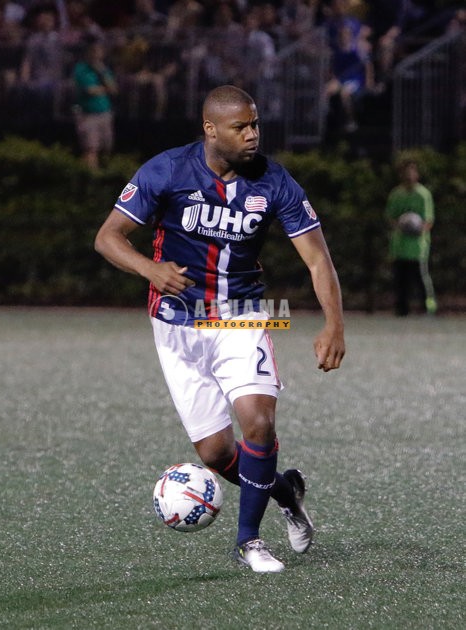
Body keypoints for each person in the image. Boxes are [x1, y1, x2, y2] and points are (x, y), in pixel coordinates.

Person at [94, 85, 345, 573]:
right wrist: (150, 269)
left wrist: (334, 323)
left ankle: (248, 540)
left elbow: (318, 259)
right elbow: (108, 237)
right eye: (240, 127)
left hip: (241, 316)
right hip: (176, 325)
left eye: (255, 125)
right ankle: (285, 491)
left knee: (259, 422)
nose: (252, 135)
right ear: (210, 129)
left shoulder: (274, 181)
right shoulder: (168, 169)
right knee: (216, 453)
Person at [385, 159, 437, 316]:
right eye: (406, 173)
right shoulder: (396, 194)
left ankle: (428, 308)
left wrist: (417, 229)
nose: (408, 176)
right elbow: (390, 217)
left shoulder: (423, 194)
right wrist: (401, 226)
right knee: (400, 279)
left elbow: (428, 220)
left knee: (420, 278)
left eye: (411, 172)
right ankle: (401, 309)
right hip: (399, 246)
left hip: (417, 247)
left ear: (417, 174)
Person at [73, 36, 117, 170]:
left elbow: (114, 89)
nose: (96, 54)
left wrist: (102, 73)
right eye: (93, 51)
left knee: (106, 148)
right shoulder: (80, 69)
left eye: (98, 51)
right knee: (91, 149)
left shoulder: (105, 70)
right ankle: (90, 176)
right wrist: (105, 89)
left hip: (105, 112)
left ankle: (105, 175)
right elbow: (90, 90)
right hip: (88, 115)